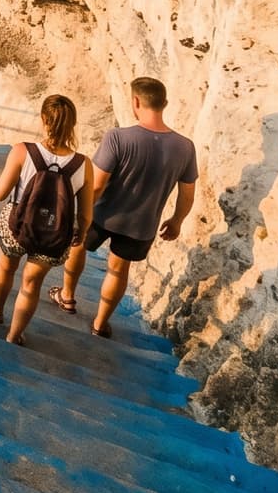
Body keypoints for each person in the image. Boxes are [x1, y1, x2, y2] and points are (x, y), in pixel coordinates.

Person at [59, 76, 198, 338]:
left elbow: (97, 185)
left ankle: (67, 297)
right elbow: (187, 194)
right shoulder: (185, 148)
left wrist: (79, 212)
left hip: (103, 213)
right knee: (119, 269)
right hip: (142, 224)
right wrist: (177, 220)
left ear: (135, 101)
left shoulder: (118, 138)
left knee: (78, 246)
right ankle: (100, 324)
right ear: (164, 103)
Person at [0, 94, 91, 347]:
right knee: (31, 285)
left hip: (16, 228)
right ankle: (14, 335)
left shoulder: (23, 151)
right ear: (73, 124)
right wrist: (80, 234)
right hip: (53, 237)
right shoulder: (83, 164)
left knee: (6, 268)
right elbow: (85, 214)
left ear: (43, 120)